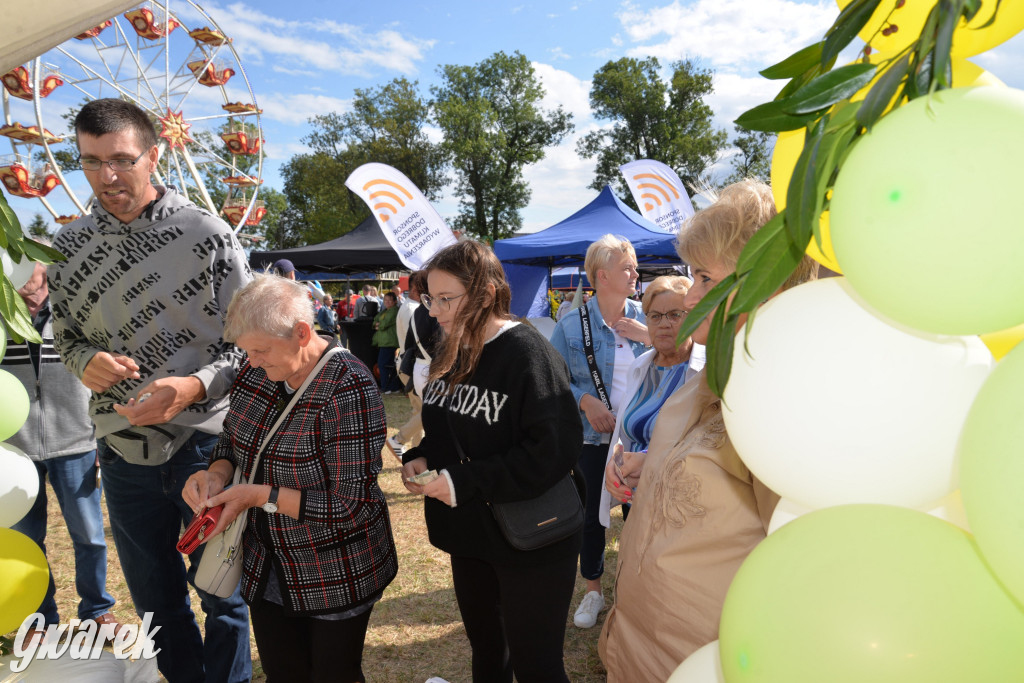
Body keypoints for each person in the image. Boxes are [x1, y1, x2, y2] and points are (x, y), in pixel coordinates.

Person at [48, 98, 252, 683]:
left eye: (121, 159)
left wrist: (192, 385)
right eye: (91, 161)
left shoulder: (208, 235)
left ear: (155, 156)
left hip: (204, 449)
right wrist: (83, 361)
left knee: (222, 594)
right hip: (121, 454)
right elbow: (66, 335)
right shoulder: (67, 246)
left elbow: (250, 345)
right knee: (155, 604)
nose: (106, 176)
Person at [598, 179, 819, 680]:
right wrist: (651, 467)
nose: (691, 294)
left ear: (765, 284)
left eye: (703, 277)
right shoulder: (708, 380)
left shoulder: (785, 407)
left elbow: (805, 565)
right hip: (639, 645)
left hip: (705, 661)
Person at [183, 275, 398, 683]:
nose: (252, 362)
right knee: (283, 672)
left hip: (333, 569)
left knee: (334, 674)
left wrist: (258, 495)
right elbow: (231, 438)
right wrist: (215, 474)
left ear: (302, 332)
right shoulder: (256, 372)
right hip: (267, 565)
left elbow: (350, 506)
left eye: (261, 350)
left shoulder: (349, 386)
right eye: (247, 351)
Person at [402, 240, 583, 683]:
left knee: (537, 666)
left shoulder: (527, 353)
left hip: (532, 537)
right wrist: (420, 456)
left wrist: (463, 480)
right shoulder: (452, 349)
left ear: (484, 293)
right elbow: (446, 431)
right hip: (472, 535)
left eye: (446, 299)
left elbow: (552, 452)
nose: (434, 311)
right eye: (430, 299)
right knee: (488, 653)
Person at [3, 260, 120, 637]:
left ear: (47, 276)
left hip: (76, 440)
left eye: (33, 282)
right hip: (15, 450)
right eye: (19, 283)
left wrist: (102, 434)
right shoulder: (3, 315)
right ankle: (39, 617)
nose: (27, 290)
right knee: (26, 538)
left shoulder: (76, 312)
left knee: (90, 534)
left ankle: (97, 610)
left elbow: (102, 375)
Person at [549, 234, 649, 630]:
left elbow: (683, 357)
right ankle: (593, 590)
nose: (635, 274)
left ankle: (635, 592)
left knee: (639, 516)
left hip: (641, 439)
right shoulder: (571, 324)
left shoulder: (648, 316)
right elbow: (552, 378)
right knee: (592, 517)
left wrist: (646, 336)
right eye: (627, 268)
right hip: (592, 441)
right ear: (602, 276)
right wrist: (586, 402)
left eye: (635, 266)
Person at [597, 275, 693, 528]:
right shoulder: (641, 366)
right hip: (639, 504)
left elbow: (704, 441)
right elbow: (626, 434)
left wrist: (649, 459)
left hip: (684, 508)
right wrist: (617, 465)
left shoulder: (705, 373)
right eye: (655, 316)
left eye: (675, 315)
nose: (664, 324)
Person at [388, 271, 426, 458]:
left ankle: (415, 452)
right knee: (427, 411)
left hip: (409, 366)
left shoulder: (411, 307)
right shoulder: (413, 309)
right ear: (417, 288)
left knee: (420, 411)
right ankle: (399, 440)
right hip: (412, 366)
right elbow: (420, 342)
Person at [372, 291, 402, 394]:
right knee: (389, 365)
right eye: (385, 300)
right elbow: (375, 321)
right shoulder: (384, 311)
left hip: (390, 342)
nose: (387, 302)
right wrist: (377, 324)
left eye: (390, 300)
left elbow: (384, 324)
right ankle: (394, 387)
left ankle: (386, 387)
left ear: (395, 301)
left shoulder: (394, 311)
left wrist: (378, 325)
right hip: (384, 342)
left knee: (383, 364)